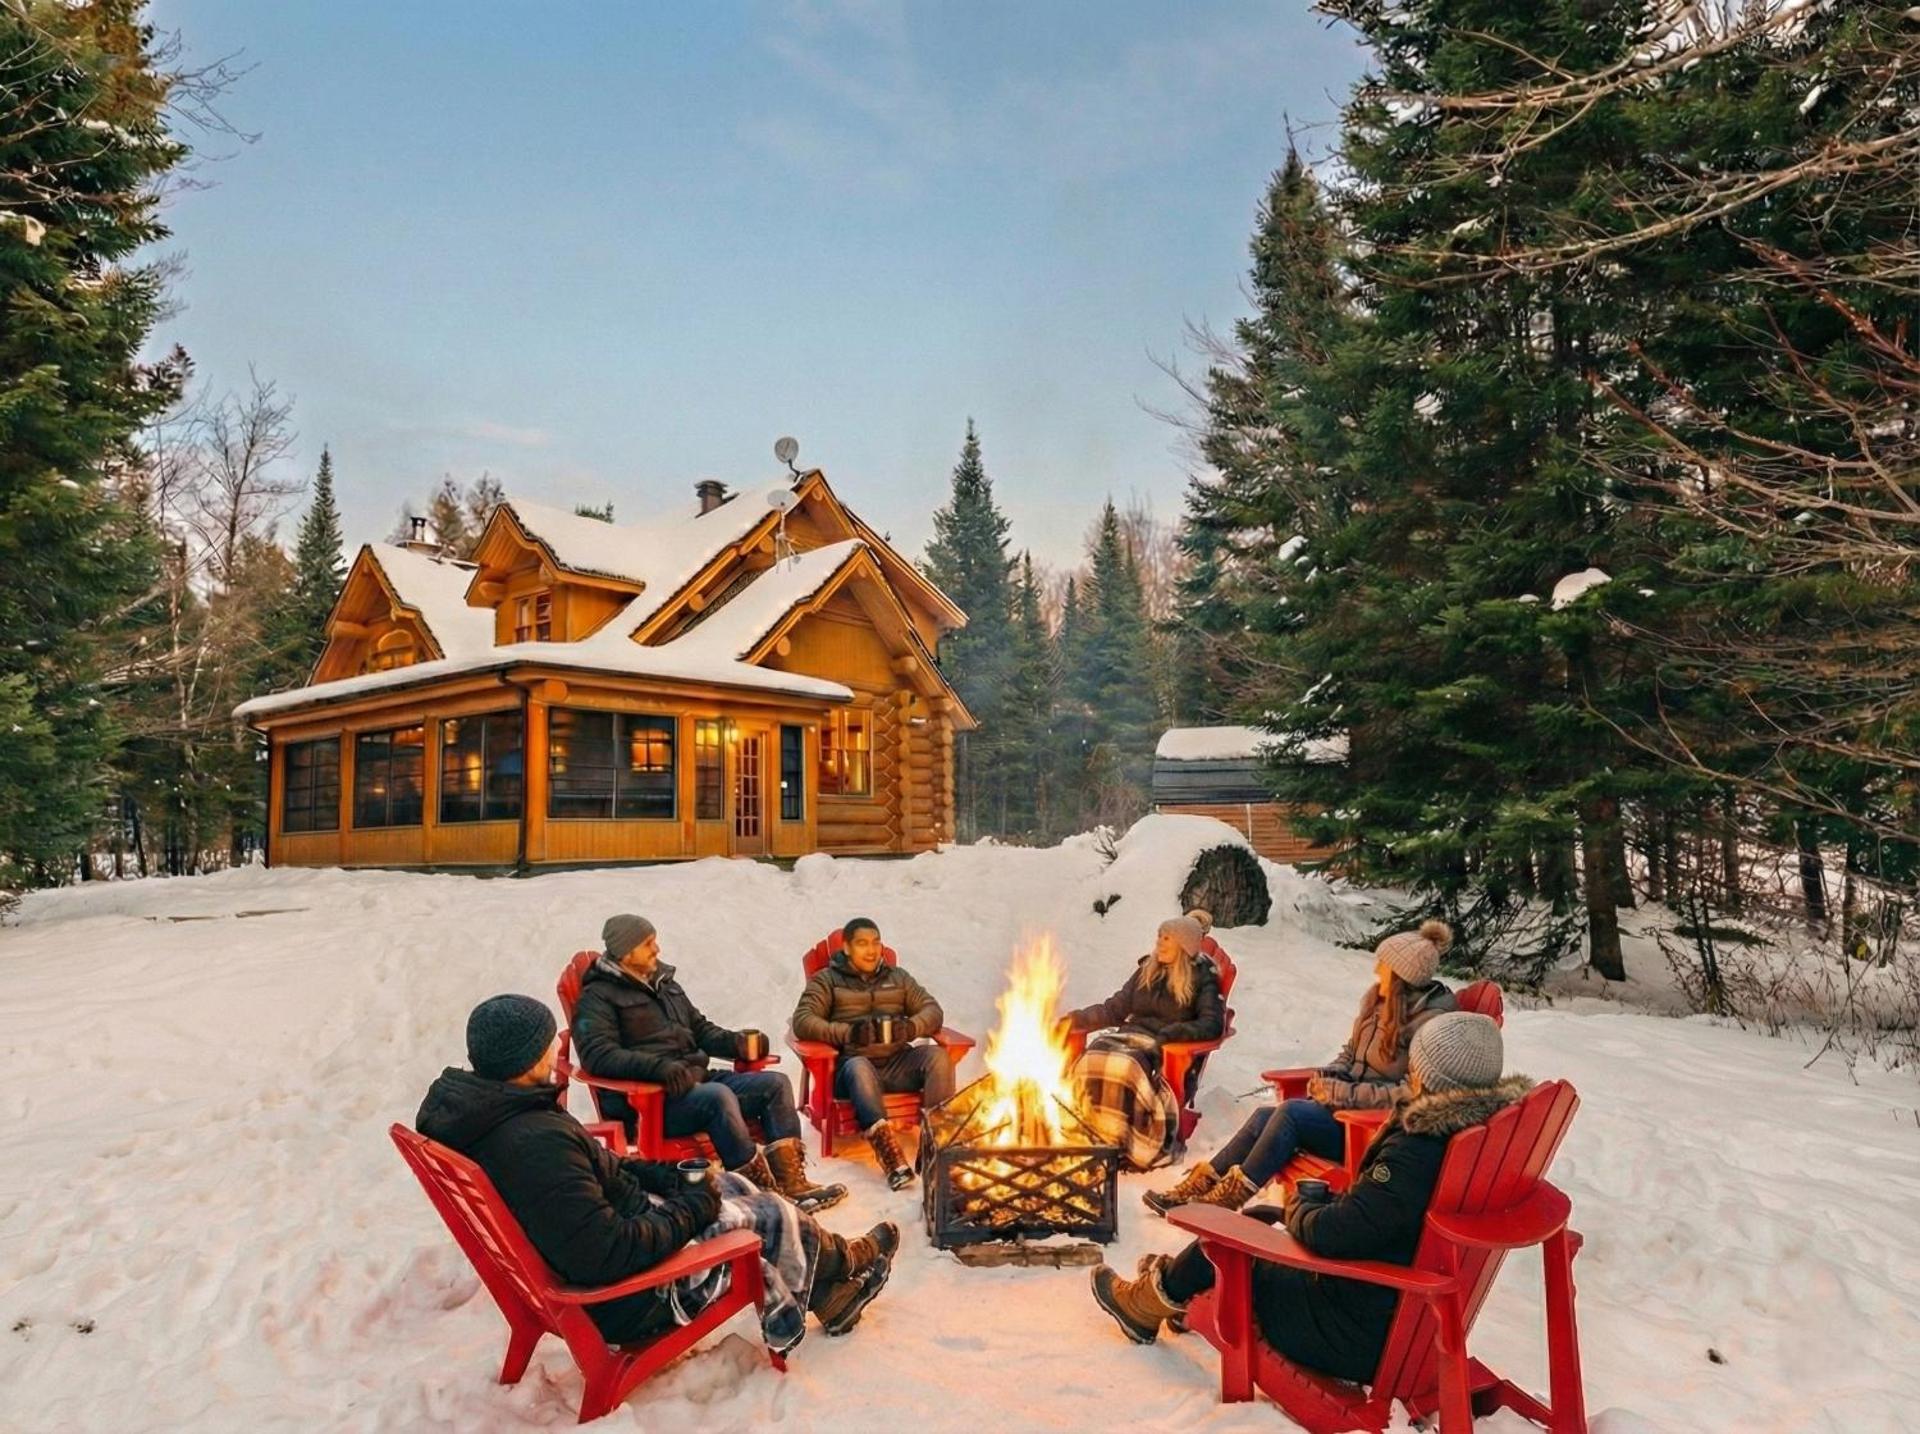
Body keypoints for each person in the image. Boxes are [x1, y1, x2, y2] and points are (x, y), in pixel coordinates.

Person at [416, 994, 896, 1355]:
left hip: (615, 1229)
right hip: (632, 1299)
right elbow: (607, 1254)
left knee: (732, 1184)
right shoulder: (534, 1143)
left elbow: (598, 1167)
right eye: (548, 1044)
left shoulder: (500, 1113)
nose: (555, 1051)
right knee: (767, 1212)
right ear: (525, 1060)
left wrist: (667, 1177)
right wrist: (693, 1207)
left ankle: (833, 1294)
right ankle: (843, 1262)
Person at [1088, 1012, 1531, 1382]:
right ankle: (1175, 1285)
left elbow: (1335, 1234)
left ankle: (1146, 1303)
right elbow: (1381, 1216)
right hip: (1401, 1314)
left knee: (1228, 1244)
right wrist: (1317, 1208)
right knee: (1259, 1216)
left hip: (1349, 1331)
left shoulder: (1418, 1150)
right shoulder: (1469, 1139)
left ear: (1428, 1074)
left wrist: (1302, 1204)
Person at [1144, 919, 1457, 1216]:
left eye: (1384, 965)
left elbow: (1410, 1092)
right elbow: (1350, 1053)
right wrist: (1328, 1076)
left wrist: (1344, 1093)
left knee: (1290, 1113)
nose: (1377, 970)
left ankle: (1228, 1198)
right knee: (1264, 1116)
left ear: (1402, 977)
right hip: (1342, 1112)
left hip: (1371, 1133)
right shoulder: (1377, 1003)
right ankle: (1199, 1185)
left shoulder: (1430, 1026)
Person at [573, 914, 845, 1213]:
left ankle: (793, 1185)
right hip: (654, 1102)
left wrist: (737, 1043)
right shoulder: (597, 997)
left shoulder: (663, 983)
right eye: (648, 944)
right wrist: (657, 1068)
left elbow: (699, 1029)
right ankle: (761, 1195)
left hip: (694, 1082)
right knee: (718, 1097)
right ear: (626, 951)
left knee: (775, 1084)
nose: (657, 949)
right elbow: (598, 1054)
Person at [790, 916, 952, 1190]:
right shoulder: (827, 980)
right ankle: (891, 1158)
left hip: (897, 1061)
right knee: (859, 1066)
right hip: (853, 1069)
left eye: (876, 943)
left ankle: (935, 1148)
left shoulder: (898, 978)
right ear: (846, 948)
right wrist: (849, 1033)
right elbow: (803, 1020)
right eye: (863, 944)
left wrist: (911, 1027)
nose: (872, 950)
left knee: (938, 1057)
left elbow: (932, 1010)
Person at [1059, 915, 1225, 1171]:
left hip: (1165, 1047)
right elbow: (1114, 1008)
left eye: (1167, 938)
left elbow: (1212, 1023)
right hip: (1129, 1035)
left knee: (1125, 1067)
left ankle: (1124, 1142)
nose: (1159, 942)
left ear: (1183, 946)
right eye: (1159, 936)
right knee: (1093, 1057)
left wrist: (1176, 1032)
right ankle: (1086, 1138)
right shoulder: (1148, 970)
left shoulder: (1202, 978)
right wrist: (1076, 1019)